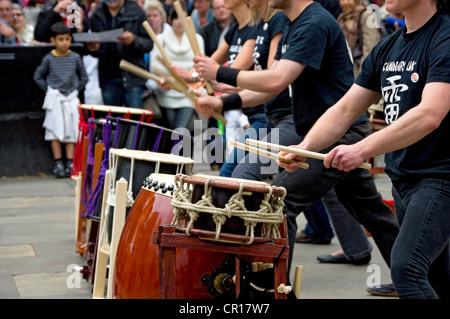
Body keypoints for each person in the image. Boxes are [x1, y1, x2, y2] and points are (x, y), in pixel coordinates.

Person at [194, 0, 400, 294]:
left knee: (281, 203)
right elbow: (273, 85)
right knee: (371, 212)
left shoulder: (312, 23)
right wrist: (221, 101)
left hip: (337, 134)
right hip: (325, 131)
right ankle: (416, 276)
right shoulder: (294, 23)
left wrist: (220, 73)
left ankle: (276, 292)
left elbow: (278, 80)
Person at [277, 0, 450, 299]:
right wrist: (305, 147)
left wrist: (360, 149)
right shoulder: (389, 47)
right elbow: (345, 108)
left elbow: (430, 114)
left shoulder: (444, 37)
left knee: (406, 269)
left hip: (439, 178)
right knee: (436, 282)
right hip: (404, 179)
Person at [33, 22, 88, 178]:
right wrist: (50, 91)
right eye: (61, 39)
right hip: (55, 100)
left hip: (71, 98)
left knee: (71, 130)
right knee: (53, 130)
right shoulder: (49, 58)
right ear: (53, 40)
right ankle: (58, 163)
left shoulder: (75, 57)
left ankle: (70, 162)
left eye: (67, 39)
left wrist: (75, 89)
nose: (64, 42)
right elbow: (38, 76)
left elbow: (84, 77)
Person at [86, 0, 153, 108]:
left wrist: (133, 40)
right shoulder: (97, 13)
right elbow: (95, 47)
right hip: (108, 76)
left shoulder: (136, 11)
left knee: (133, 120)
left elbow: (148, 44)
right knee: (112, 119)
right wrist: (94, 48)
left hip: (132, 75)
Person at [150, 4, 204, 130]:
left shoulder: (197, 39)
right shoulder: (161, 39)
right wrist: (175, 77)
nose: (180, 22)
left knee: (180, 130)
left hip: (189, 92)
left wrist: (188, 75)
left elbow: (201, 65)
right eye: (176, 18)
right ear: (170, 19)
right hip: (168, 91)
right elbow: (155, 66)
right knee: (171, 131)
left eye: (183, 18)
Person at [337, 0, 381, 77]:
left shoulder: (368, 15)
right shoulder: (342, 18)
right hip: (346, 74)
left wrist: (363, 79)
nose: (345, 3)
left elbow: (370, 49)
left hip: (360, 74)